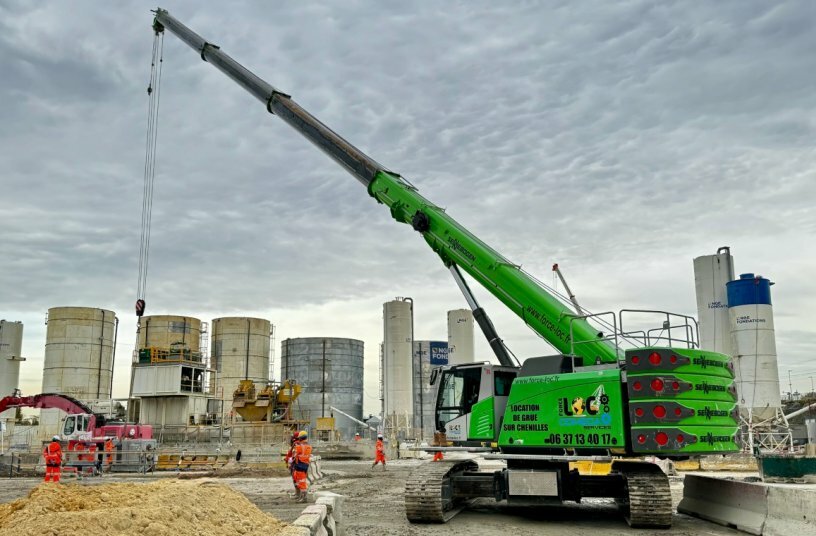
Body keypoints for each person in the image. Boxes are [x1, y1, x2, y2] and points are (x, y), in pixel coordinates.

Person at [292, 430, 312, 502]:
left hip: (299, 465)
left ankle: (304, 498)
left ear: (300, 438)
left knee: (301, 481)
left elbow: (294, 456)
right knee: (300, 480)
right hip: (305, 465)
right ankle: (301, 496)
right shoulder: (309, 447)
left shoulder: (298, 447)